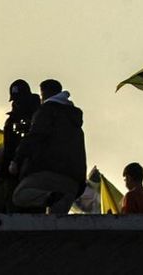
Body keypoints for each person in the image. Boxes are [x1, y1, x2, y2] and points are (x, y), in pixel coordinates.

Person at [11, 79, 87, 214]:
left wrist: (16, 160)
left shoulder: (46, 110)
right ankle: (54, 198)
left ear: (44, 94)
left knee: (20, 195)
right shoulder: (73, 120)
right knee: (55, 224)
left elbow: (35, 137)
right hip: (74, 183)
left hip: (51, 173)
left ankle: (50, 197)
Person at [0, 80, 41, 212]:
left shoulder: (40, 117)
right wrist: (4, 173)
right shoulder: (11, 121)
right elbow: (9, 149)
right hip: (15, 171)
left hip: (35, 170)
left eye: (20, 99)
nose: (18, 103)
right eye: (16, 100)